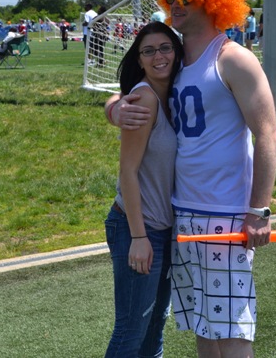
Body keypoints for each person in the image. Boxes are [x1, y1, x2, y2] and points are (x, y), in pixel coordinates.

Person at [111, 0, 276, 357]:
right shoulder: (177, 59)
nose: (174, 4)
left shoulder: (234, 59)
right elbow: (140, 92)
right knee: (204, 325)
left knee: (234, 329)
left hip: (226, 215)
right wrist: (113, 108)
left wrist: (259, 210)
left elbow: (268, 134)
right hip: (182, 214)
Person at [102, 21, 184, 357]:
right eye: (148, 51)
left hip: (165, 231)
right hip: (138, 227)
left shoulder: (176, 93)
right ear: (139, 59)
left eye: (165, 47)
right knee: (131, 332)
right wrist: (139, 238)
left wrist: (112, 105)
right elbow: (128, 171)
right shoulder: (144, 99)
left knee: (154, 330)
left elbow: (115, 99)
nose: (158, 56)